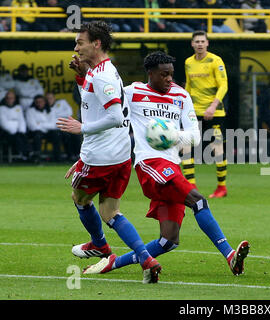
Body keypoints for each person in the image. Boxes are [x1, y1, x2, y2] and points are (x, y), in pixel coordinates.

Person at [82, 51, 249, 277]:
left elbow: (194, 137)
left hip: (171, 166)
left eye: (171, 74)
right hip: (150, 165)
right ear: (150, 73)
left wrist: (171, 136)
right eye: (164, 75)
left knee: (169, 240)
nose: (170, 79)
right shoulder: (132, 92)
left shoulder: (181, 96)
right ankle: (230, 255)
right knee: (198, 201)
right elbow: (103, 107)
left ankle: (113, 263)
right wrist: (84, 77)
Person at [55, 20, 161, 284]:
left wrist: (82, 128)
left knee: (80, 198)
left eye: (80, 42)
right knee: (110, 212)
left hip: (101, 156)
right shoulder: (99, 70)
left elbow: (113, 116)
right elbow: (92, 102)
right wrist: (81, 75)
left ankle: (100, 246)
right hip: (121, 155)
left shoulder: (102, 76)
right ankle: (147, 260)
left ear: (96, 43)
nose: (76, 47)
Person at [183, 30, 229, 198]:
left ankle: (221, 188)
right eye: (197, 41)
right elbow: (189, 86)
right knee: (186, 148)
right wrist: (184, 106)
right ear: (192, 44)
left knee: (218, 149)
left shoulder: (215, 61)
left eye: (203, 41)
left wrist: (213, 106)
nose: (200, 44)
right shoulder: (188, 62)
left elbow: (223, 85)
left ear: (207, 43)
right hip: (194, 113)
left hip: (215, 112)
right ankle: (191, 187)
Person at [26, 94, 62, 162]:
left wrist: (40, 124)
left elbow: (54, 125)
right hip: (35, 133)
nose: (39, 104)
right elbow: (32, 127)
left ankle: (57, 157)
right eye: (37, 102)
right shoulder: (30, 111)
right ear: (34, 103)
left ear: (45, 102)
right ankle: (37, 157)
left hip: (48, 132)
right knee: (37, 135)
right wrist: (46, 125)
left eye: (41, 102)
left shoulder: (51, 110)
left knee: (57, 134)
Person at [46, 92, 80, 161]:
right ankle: (68, 156)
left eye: (50, 98)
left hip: (65, 127)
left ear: (54, 98)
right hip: (54, 129)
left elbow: (69, 113)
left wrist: (57, 115)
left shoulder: (62, 102)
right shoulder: (45, 108)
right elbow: (52, 122)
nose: (49, 100)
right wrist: (61, 116)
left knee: (76, 135)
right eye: (47, 99)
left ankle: (78, 155)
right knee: (64, 135)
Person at [0, 90, 29, 161]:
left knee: (23, 136)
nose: (10, 100)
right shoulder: (1, 108)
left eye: (11, 98)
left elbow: (21, 120)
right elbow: (3, 123)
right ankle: (23, 155)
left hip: (18, 132)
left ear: (14, 99)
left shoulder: (18, 108)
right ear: (5, 99)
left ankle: (28, 154)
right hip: (5, 132)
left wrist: (21, 131)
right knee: (17, 138)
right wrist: (14, 129)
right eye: (8, 98)